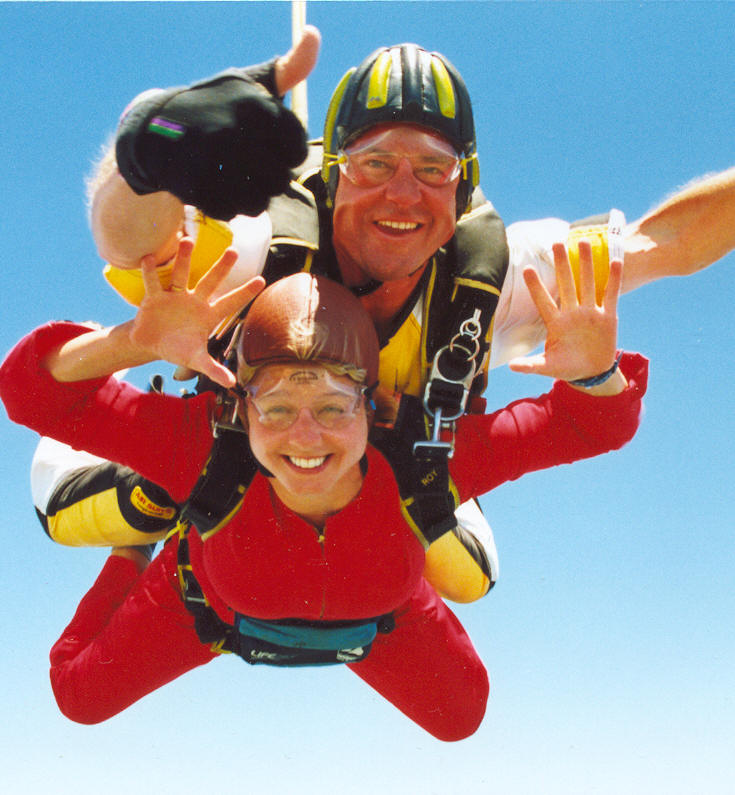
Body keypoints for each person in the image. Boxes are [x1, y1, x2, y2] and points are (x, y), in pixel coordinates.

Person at [30, 32, 735, 603]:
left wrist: (594, 374)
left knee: (467, 576)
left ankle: (400, 511)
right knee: (76, 513)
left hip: (384, 462)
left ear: (463, 189)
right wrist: (146, 157)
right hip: (233, 453)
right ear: (331, 170)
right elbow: (131, 238)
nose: (403, 193)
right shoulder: (257, 251)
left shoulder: (513, 277)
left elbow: (666, 243)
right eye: (374, 164)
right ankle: (160, 521)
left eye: (433, 168)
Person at [0, 238, 647, 740]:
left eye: (334, 407)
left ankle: (435, 519)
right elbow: (27, 391)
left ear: (373, 407)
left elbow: (590, 424)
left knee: (462, 714)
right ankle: (145, 527)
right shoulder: (201, 440)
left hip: (374, 608)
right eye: (277, 407)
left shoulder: (425, 452)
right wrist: (126, 343)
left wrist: (596, 373)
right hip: (206, 600)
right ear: (239, 405)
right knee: (76, 695)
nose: (305, 437)